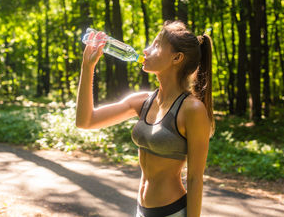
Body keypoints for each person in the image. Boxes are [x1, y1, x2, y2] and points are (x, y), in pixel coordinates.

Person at [76, 20, 215, 217]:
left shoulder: (192, 109)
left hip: (172, 212)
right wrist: (87, 67)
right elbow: (85, 121)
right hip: (141, 211)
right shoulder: (143, 102)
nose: (146, 50)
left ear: (177, 58)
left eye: (156, 44)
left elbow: (194, 178)